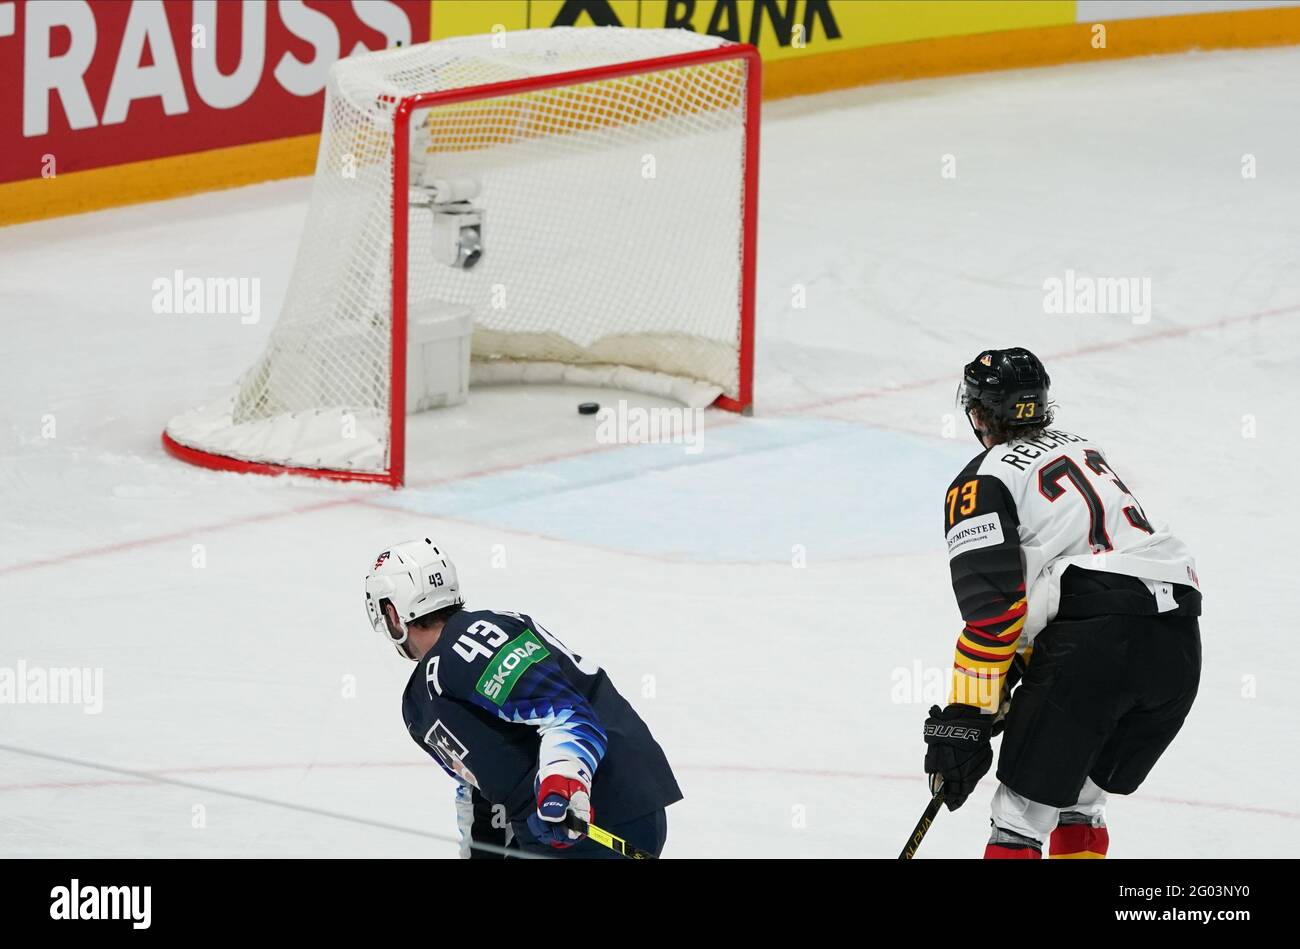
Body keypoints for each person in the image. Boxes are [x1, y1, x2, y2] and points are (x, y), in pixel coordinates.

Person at [923, 348, 1202, 858]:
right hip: (1178, 642)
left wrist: (967, 716)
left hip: (1097, 645)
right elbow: (1081, 574)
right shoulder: (1081, 446)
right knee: (1078, 802)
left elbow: (994, 616)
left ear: (978, 411)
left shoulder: (981, 480)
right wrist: (1014, 677)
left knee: (1019, 818)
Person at [364, 538, 681, 858]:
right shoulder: (424, 698)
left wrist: (564, 785)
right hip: (573, 824)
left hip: (600, 813)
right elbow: (481, 789)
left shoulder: (467, 644)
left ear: (392, 612)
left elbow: (567, 712)